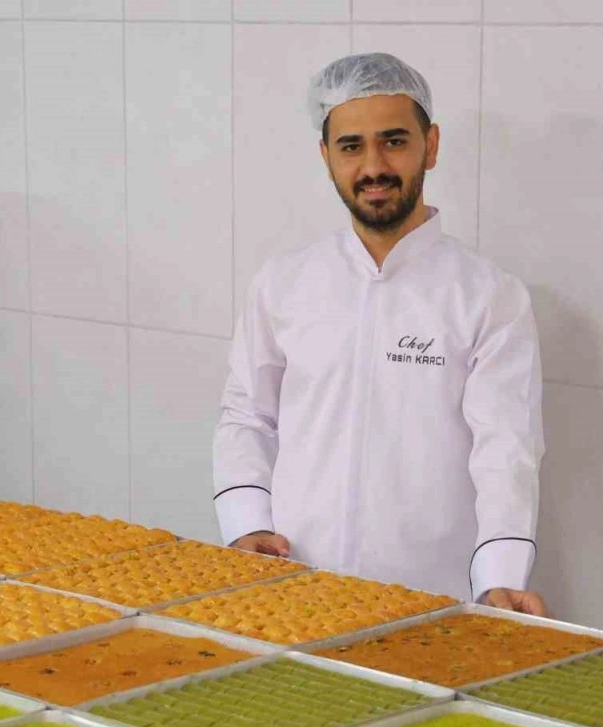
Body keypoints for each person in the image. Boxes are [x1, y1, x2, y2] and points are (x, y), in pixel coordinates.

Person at [212, 52, 549, 616]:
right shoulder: (284, 283)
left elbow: (506, 451)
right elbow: (248, 415)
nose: (373, 166)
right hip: (291, 587)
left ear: (430, 145)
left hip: (431, 602)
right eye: (351, 146)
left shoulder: (489, 296)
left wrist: (499, 578)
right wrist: (246, 524)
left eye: (394, 141)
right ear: (326, 156)